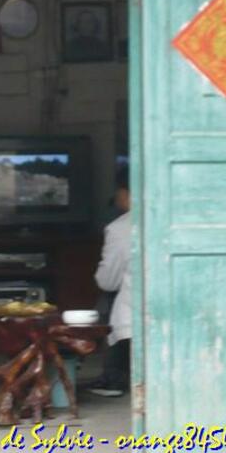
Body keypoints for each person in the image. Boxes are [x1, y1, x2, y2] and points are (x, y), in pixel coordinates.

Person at [89, 166, 132, 397]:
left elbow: (107, 281)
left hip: (136, 311)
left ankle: (114, 376)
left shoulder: (120, 228)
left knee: (107, 299)